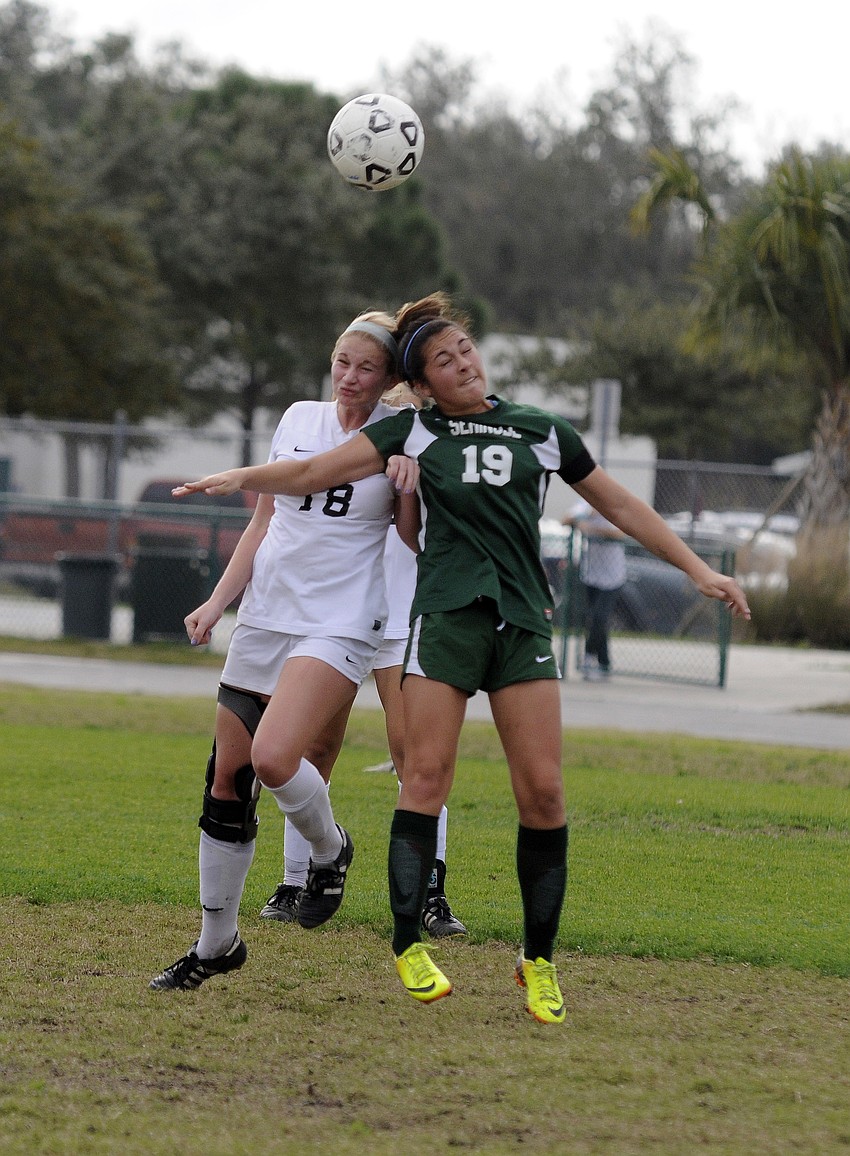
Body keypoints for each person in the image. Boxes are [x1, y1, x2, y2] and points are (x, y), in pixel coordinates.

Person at [172, 292, 750, 1023]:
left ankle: (535, 959)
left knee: (540, 792)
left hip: (507, 626)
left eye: (465, 351)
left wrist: (700, 570)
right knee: (413, 776)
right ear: (424, 384)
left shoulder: (531, 429)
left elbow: (621, 506)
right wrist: (241, 480)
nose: (462, 364)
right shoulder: (409, 432)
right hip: (429, 624)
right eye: (443, 360)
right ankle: (390, 942)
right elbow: (314, 478)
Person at [149, 310, 418, 991]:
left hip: (341, 619)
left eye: (366, 367)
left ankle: (330, 849)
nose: (350, 376)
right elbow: (265, 520)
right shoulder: (299, 418)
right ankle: (216, 945)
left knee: (275, 758)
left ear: (389, 379)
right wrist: (219, 601)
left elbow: (413, 539)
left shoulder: (399, 437)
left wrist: (413, 484)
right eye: (342, 361)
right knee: (227, 779)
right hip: (269, 612)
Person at [261, 392, 467, 938]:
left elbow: (428, 536)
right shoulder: (341, 438)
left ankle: (428, 891)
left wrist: (414, 481)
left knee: (414, 759)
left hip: (401, 619)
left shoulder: (435, 443)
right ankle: (297, 878)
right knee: (313, 749)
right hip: (340, 614)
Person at [562, 500, 627, 680]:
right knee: (594, 619)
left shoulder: (612, 509)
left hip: (613, 576)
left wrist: (594, 529)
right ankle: (604, 663)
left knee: (600, 617)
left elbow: (620, 533)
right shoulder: (585, 508)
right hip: (592, 574)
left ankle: (589, 656)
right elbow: (565, 520)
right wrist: (581, 519)